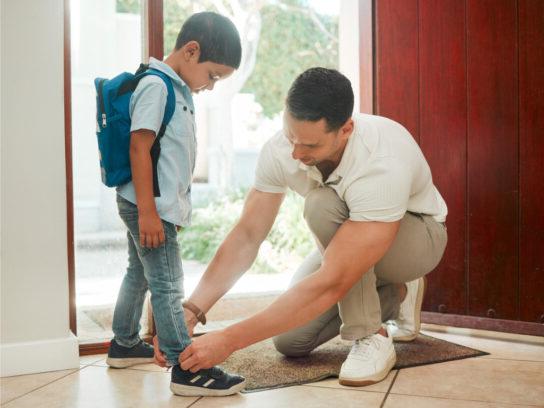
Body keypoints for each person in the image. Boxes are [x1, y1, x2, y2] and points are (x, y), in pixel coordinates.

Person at [155, 67, 448, 387]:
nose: (296, 153)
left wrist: (228, 339)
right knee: (290, 341)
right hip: (353, 238)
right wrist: (192, 310)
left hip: (417, 238)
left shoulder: (380, 158)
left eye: (309, 145)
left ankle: (371, 334)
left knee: (321, 206)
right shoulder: (281, 149)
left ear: (346, 129)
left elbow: (333, 281)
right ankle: (396, 293)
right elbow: (248, 235)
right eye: (290, 136)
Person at [105, 11, 246, 397]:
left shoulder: (178, 89)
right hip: (146, 207)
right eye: (213, 75)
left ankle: (123, 343)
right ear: (191, 50)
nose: (212, 86)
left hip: (151, 207)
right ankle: (186, 366)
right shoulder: (158, 86)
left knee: (140, 273)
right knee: (167, 284)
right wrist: (151, 213)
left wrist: (171, 210)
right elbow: (140, 146)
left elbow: (171, 159)